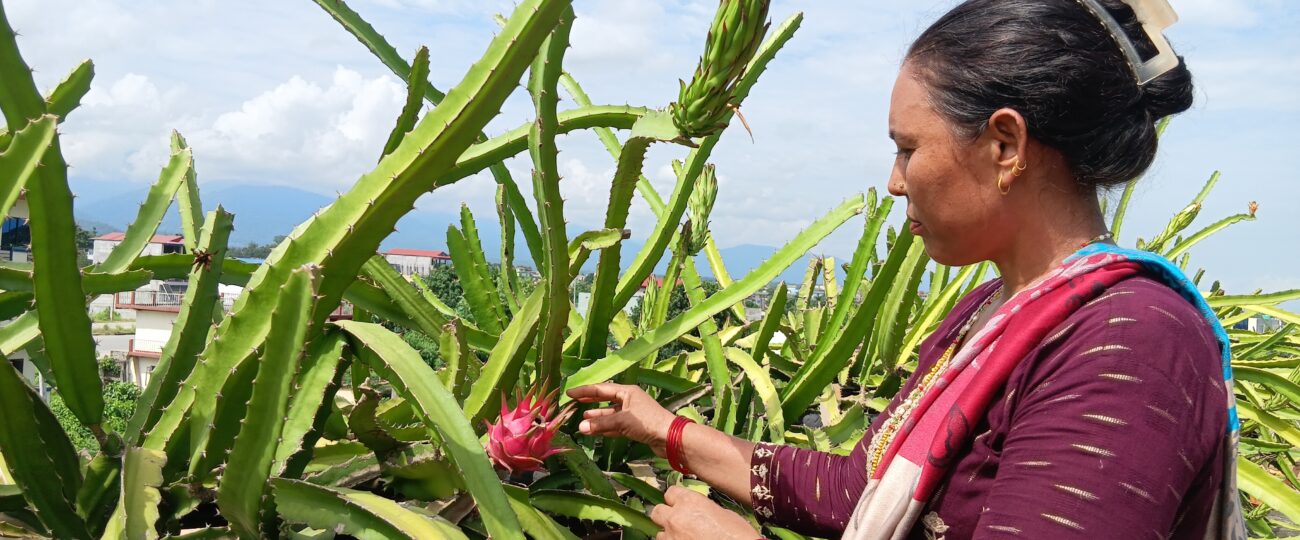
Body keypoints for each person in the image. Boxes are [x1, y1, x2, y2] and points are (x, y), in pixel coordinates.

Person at [567, 0, 1247, 538]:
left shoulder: (1128, 345)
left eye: (907, 148)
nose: (895, 182)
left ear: (1005, 144)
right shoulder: (988, 315)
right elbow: (863, 490)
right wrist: (664, 429)